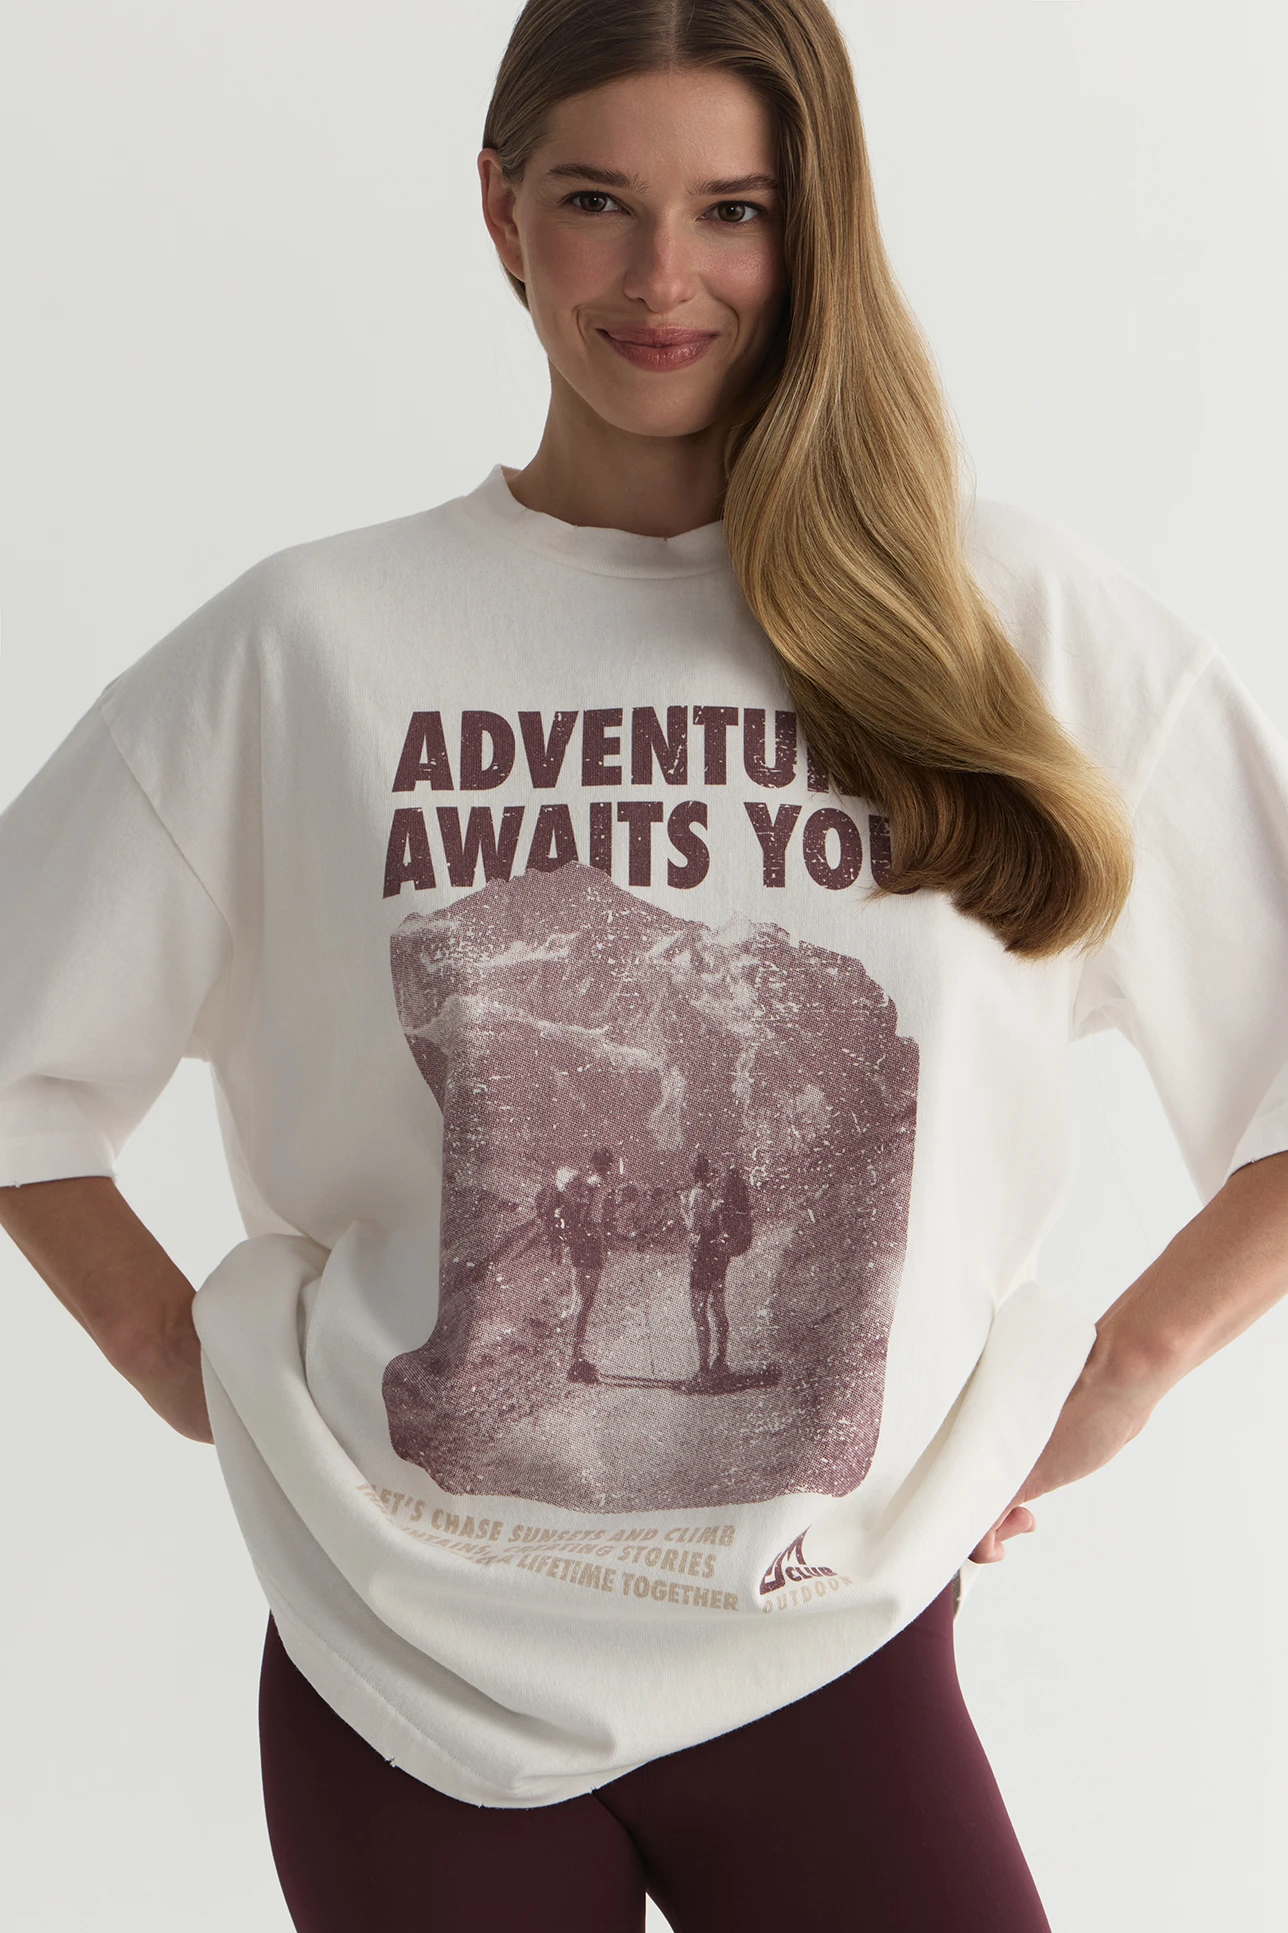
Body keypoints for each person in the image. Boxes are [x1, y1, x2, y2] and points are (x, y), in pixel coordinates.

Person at [2, 1, 1288, 1927]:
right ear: (499, 211)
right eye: (598, 201)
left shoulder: (1003, 627)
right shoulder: (308, 647)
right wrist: (181, 1358)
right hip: (402, 1671)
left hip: (832, 1638)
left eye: (733, 209)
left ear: (813, 223)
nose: (663, 278)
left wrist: (1123, 1368)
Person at [563, 1147, 618, 1383]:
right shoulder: (603, 1186)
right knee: (586, 1301)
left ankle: (575, 1357)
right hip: (593, 1242)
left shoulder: (584, 1185)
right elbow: (607, 1220)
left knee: (578, 1298)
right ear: (608, 1166)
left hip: (577, 1244)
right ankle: (576, 1359)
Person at [681, 1150, 733, 1384]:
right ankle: (721, 1360)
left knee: (699, 1310)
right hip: (718, 1255)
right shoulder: (714, 1194)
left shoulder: (696, 1194)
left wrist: (683, 1209)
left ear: (693, 1173)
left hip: (702, 1255)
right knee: (718, 1307)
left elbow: (694, 1227)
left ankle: (703, 1369)